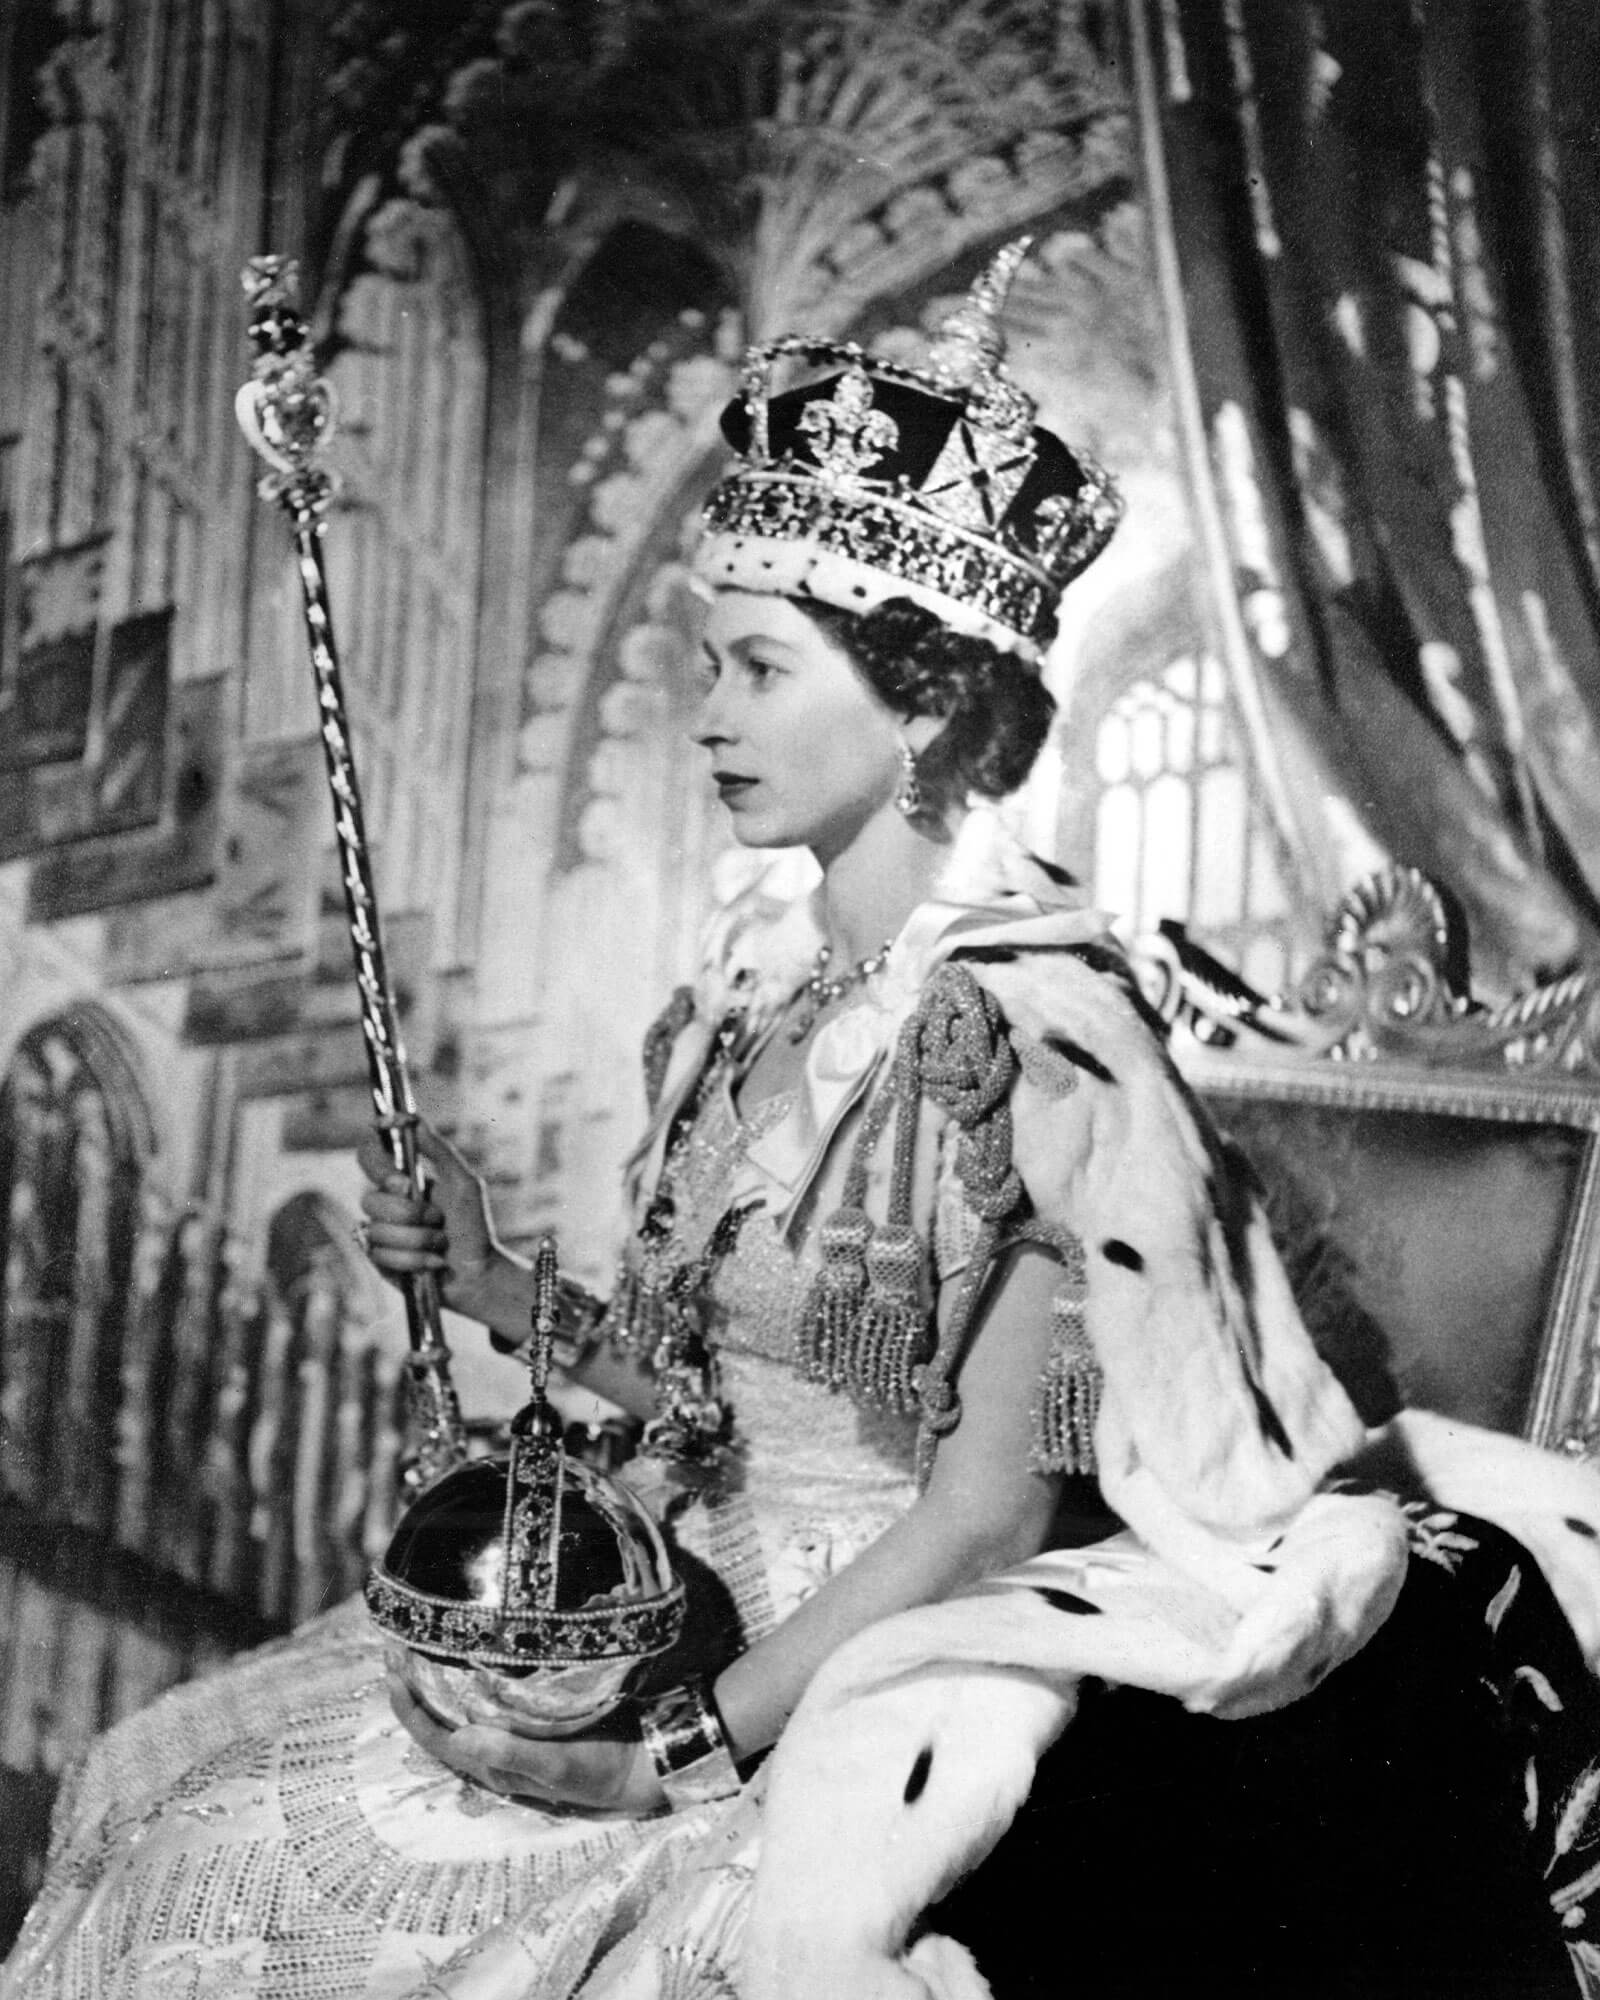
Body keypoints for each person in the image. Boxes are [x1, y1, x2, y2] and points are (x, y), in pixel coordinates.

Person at [7, 239, 1600, 2000]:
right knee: (171, 1795)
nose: (708, 719)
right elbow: (700, 1394)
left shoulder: (1038, 1039)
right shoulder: (740, 1005)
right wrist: (486, 1279)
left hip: (880, 1645)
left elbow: (992, 1511)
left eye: (758, 671)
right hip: (679, 1559)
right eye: (706, 666)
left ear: (921, 696)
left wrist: (672, 1754)